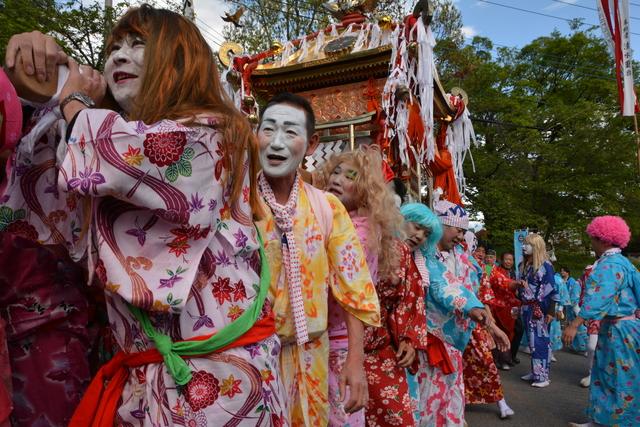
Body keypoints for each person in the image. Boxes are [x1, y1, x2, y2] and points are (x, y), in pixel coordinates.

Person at [7, 6, 290, 425]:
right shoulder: (115, 147)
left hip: (225, 381)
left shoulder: (213, 134)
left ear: (179, 60)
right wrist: (42, 87)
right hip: (146, 381)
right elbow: (53, 192)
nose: (119, 56)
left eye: (138, 44)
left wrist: (73, 99)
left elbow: (117, 151)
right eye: (114, 47)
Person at [255, 92, 380, 426]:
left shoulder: (327, 207)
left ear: (311, 145)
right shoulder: (237, 203)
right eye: (268, 130)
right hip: (249, 359)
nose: (277, 143)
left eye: (290, 132)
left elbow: (354, 289)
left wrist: (355, 361)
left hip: (312, 357)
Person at [316, 146, 416, 427]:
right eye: (335, 172)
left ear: (364, 190)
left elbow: (350, 295)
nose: (338, 179)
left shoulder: (356, 232)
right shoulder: (346, 223)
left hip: (337, 343)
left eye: (350, 176)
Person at [401, 203, 488, 427]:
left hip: (427, 337)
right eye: (416, 227)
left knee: (432, 400)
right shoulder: (391, 252)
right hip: (394, 338)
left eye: (426, 232)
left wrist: (472, 307)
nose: (419, 236)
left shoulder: (426, 259)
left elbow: (444, 285)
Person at [564, 216, 640, 427]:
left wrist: (575, 323)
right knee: (608, 375)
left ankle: (619, 423)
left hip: (619, 330)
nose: (591, 243)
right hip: (621, 327)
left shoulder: (609, 265)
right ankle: (601, 420)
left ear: (604, 240)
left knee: (618, 379)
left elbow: (599, 297)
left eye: (593, 239)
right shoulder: (625, 263)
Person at [464, 232, 514, 419]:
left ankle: (500, 401)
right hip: (451, 324)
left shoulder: (481, 269)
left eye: (483, 251)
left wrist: (490, 326)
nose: (480, 253)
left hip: (475, 322)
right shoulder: (446, 262)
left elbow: (486, 298)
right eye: (477, 249)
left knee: (486, 361)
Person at [518, 233, 558, 388]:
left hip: (539, 309)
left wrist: (551, 311)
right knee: (532, 342)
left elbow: (552, 290)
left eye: (528, 244)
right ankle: (536, 371)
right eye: (524, 244)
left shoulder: (545, 266)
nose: (524, 246)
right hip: (527, 307)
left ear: (536, 247)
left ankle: (543, 376)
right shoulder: (527, 264)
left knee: (540, 342)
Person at [489, 252, 521, 370]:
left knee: (513, 331)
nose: (508, 262)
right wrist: (516, 284)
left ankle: (508, 357)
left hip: (513, 307)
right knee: (500, 332)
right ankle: (499, 359)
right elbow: (504, 283)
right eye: (506, 259)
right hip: (499, 307)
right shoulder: (496, 272)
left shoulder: (514, 273)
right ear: (501, 260)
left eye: (511, 260)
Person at [562, 267, 588, 353]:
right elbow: (574, 300)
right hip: (575, 310)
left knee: (581, 330)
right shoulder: (578, 283)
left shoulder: (586, 283)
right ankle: (582, 348)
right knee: (580, 329)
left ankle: (579, 347)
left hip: (582, 310)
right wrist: (579, 312)